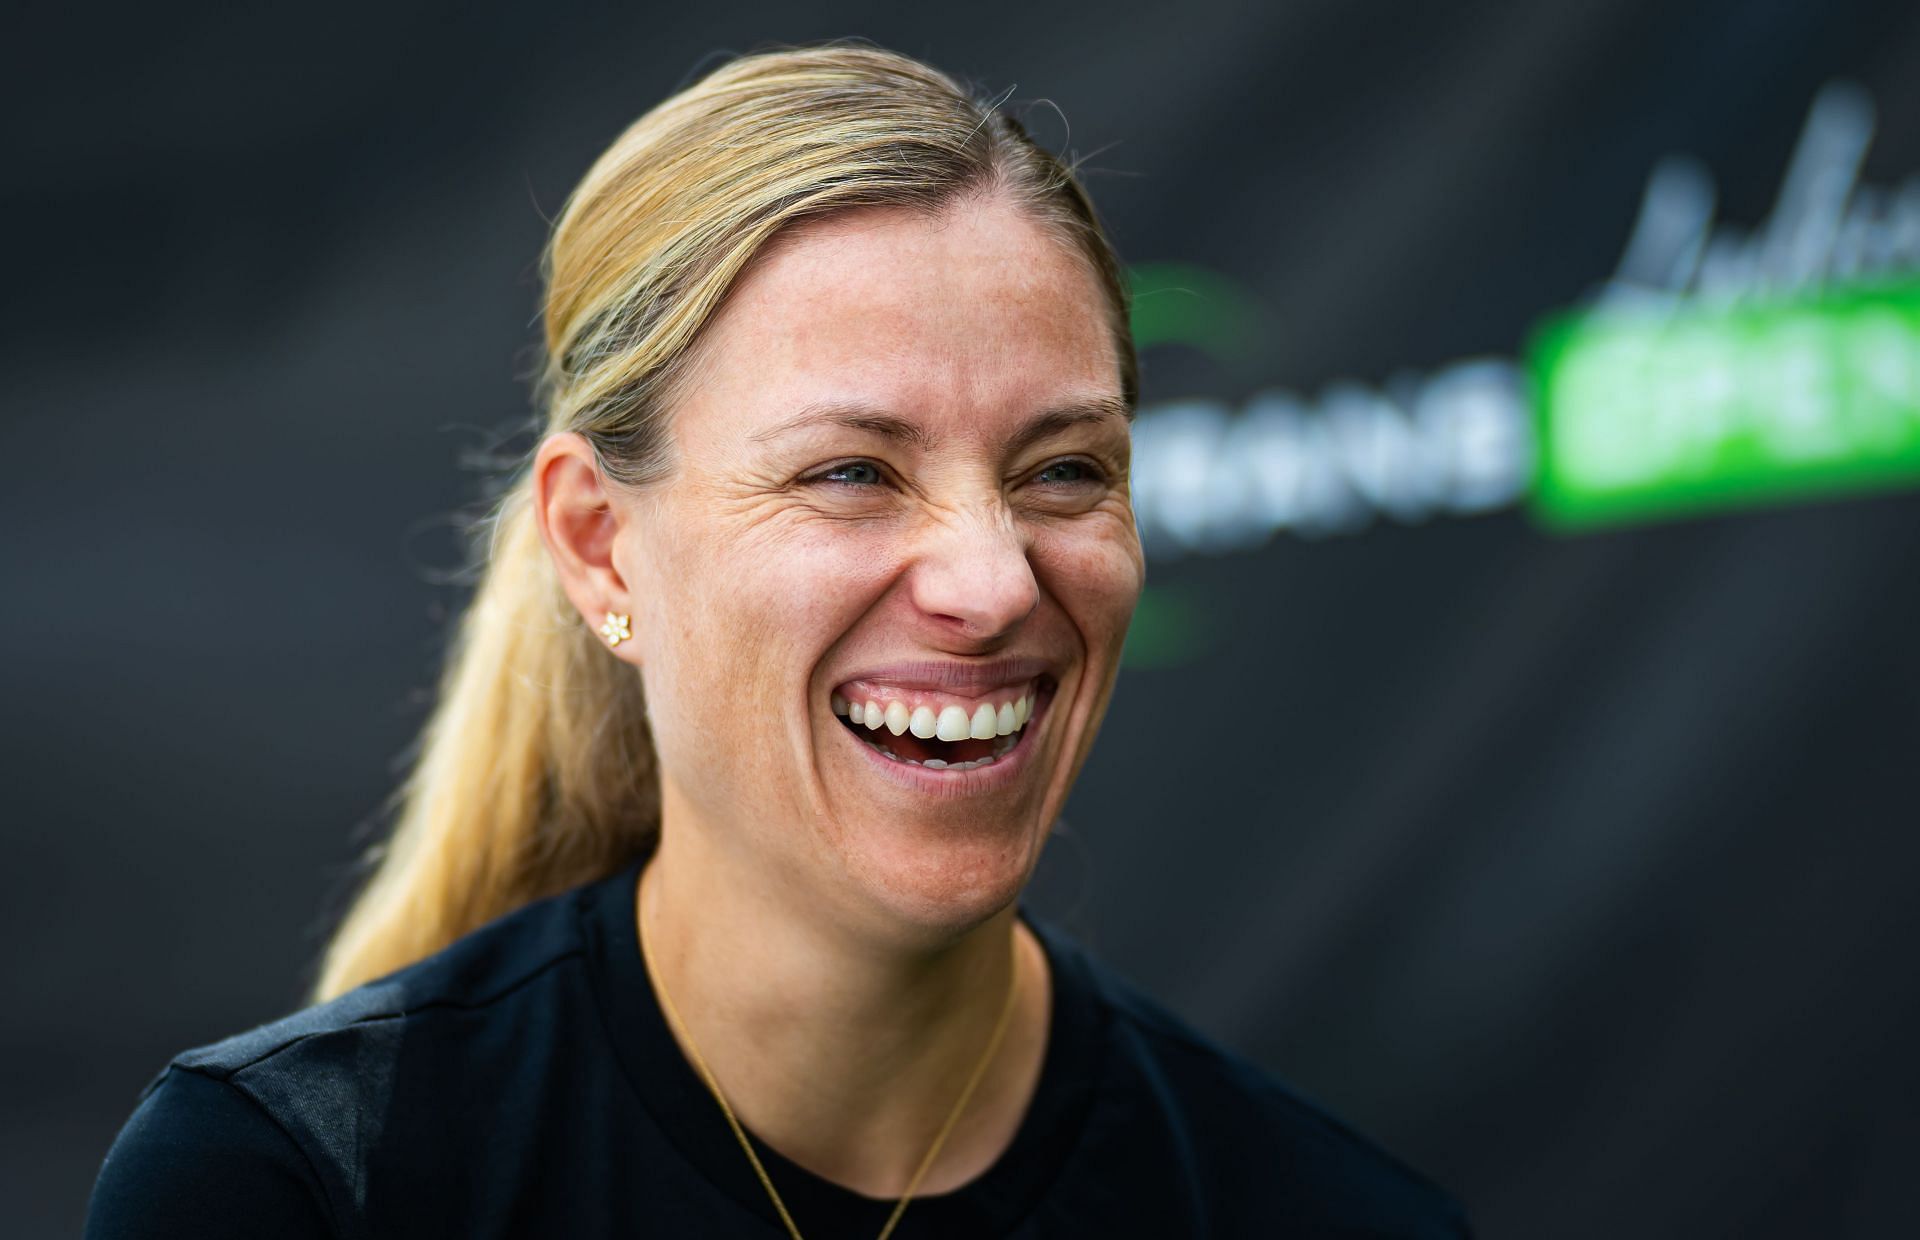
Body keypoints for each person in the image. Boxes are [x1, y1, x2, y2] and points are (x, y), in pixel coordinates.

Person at [85, 42, 1470, 1238]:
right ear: (596, 541)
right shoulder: (293, 1190)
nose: (990, 584)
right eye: (853, 472)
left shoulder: (1325, 1213)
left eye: (1063, 471)